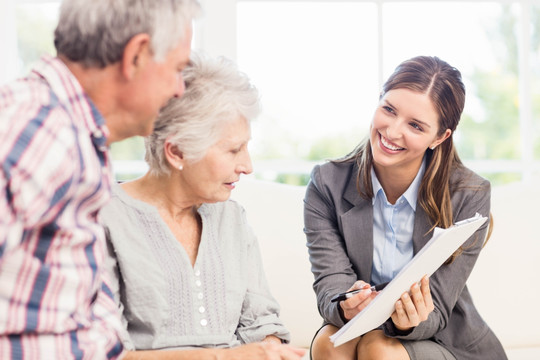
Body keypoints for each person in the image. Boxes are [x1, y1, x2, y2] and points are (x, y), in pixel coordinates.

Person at [0, 0, 200, 358]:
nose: (178, 90)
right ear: (136, 55)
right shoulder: (37, 130)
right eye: (176, 69)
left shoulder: (74, 134)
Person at [98, 53, 305, 360]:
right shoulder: (106, 219)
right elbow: (107, 353)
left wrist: (270, 350)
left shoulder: (232, 218)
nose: (247, 166)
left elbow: (262, 324)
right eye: (233, 150)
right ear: (177, 152)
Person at [304, 56, 507, 360]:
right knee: (328, 343)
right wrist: (346, 304)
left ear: (440, 137)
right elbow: (330, 286)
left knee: (379, 349)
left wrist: (408, 318)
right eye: (388, 109)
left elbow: (437, 308)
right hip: (357, 327)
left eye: (415, 125)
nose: (392, 131)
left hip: (443, 338)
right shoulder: (327, 184)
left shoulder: (468, 194)